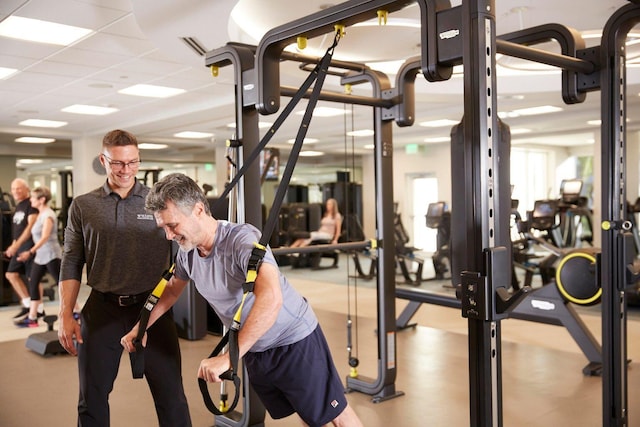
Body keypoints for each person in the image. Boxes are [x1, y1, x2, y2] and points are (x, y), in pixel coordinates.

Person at [121, 173, 363, 427]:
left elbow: (271, 298)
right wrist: (140, 329)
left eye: (173, 225)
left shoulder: (241, 241)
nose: (169, 236)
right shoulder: (188, 254)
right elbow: (171, 290)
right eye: (164, 229)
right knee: (311, 416)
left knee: (336, 417)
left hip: (293, 340)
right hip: (256, 348)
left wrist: (228, 358)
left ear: (198, 210)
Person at [57, 130, 191, 426]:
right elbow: (71, 260)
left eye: (132, 163)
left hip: (151, 309)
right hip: (102, 309)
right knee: (91, 399)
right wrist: (65, 312)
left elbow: (184, 250)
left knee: (172, 397)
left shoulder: (159, 201)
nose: (126, 170)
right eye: (118, 163)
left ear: (139, 160)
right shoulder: (83, 206)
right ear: (103, 160)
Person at [15, 187, 61, 327]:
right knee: (33, 281)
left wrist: (30, 251)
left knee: (62, 285)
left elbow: (45, 236)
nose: (30, 200)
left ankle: (76, 311)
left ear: (41, 200)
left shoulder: (48, 215)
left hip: (51, 255)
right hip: (41, 256)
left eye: (33, 198)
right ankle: (33, 317)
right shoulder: (40, 213)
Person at [3, 178, 39, 320]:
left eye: (18, 188)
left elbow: (30, 227)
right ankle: (28, 304)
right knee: (11, 274)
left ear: (26, 189)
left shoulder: (32, 204)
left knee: (33, 278)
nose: (15, 192)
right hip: (18, 246)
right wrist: (12, 246)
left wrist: (16, 246)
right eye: (13, 189)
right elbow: (17, 230)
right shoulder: (18, 206)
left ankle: (37, 308)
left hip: (29, 246)